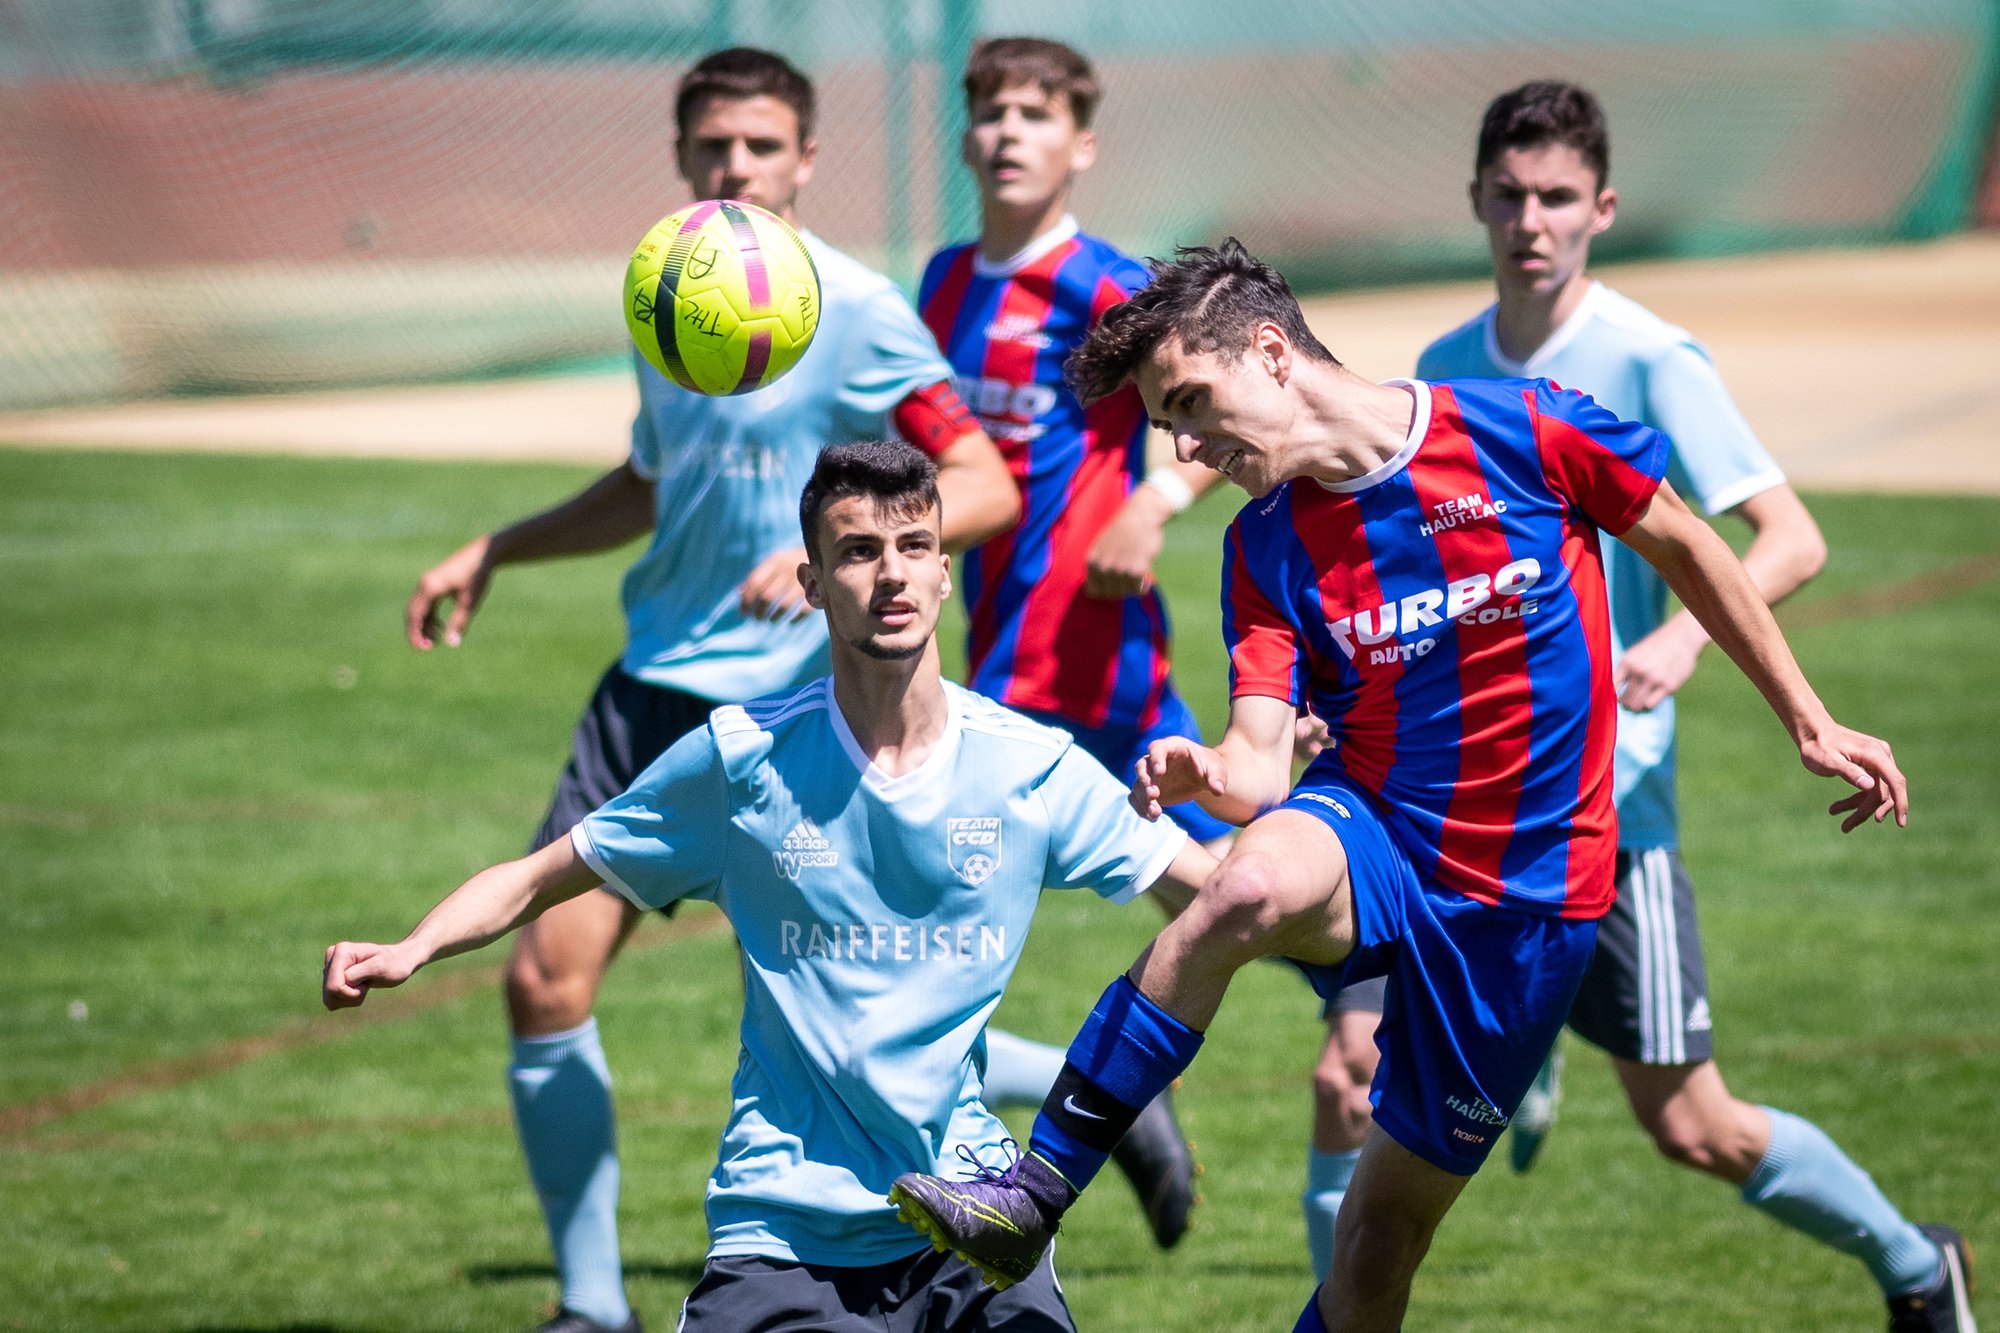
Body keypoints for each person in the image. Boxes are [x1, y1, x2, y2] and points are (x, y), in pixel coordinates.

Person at [885, 238, 1913, 1333]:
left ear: (1271, 352)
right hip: (1371, 830)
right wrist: (1206, 770)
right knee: (1238, 888)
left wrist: (1806, 717)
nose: (1183, 444)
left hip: (1526, 903)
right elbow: (1253, 765)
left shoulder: (1523, 429)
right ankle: (1031, 1195)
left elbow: (1687, 546)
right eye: (1165, 424)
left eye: (1188, 401)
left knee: (1374, 1253)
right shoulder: (1264, 546)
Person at [1307, 78, 1960, 1331]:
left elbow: (1784, 537)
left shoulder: (1650, 359)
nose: (1529, 221)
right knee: (1349, 1073)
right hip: (1447, 822)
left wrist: (1675, 643)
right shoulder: (1440, 373)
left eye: (1555, 197)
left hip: (1612, 818)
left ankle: (1914, 1265)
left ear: (1599, 208)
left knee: (1689, 1124)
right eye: (1507, 195)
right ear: (1475, 202)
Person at [402, 48, 1018, 1333]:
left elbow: (981, 483)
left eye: (759, 146)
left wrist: (830, 565)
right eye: (712, 147)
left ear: (803, 159)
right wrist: (501, 545)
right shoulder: (665, 292)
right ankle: (589, 1310)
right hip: (650, 688)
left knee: (850, 1013)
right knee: (541, 982)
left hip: (798, 704)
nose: (733, 167)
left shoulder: (854, 308)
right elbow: (649, 480)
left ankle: (1085, 1093)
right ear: (683, 157)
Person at [332, 441, 1219, 1333]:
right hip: (784, 1232)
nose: (891, 575)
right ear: (812, 584)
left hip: (973, 1226)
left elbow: (1226, 897)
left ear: (946, 575)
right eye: (859, 552)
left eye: (913, 546)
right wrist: (414, 946)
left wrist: (1304, 802)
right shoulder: (741, 760)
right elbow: (538, 877)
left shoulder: (1030, 768)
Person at [914, 35, 1231, 1248]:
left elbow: (1224, 414)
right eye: (989, 109)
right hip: (995, 666)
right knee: (917, 936)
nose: (1006, 130)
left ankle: (1408, 1015)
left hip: (1108, 663)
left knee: (1248, 898)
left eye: (1034, 112)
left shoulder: (1107, 287)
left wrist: (1148, 506)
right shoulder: (943, 284)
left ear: (1079, 143)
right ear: (964, 135)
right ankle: (1090, 1108)